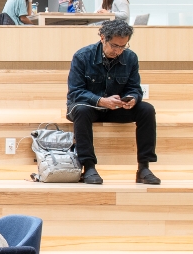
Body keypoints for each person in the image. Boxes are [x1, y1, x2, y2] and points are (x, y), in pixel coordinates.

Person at [66, 19, 159, 186]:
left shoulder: (130, 58)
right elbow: (75, 92)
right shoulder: (82, 56)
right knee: (81, 110)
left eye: (123, 46)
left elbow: (134, 88)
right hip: (89, 107)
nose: (118, 51)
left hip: (115, 107)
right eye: (115, 46)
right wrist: (101, 101)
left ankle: (144, 168)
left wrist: (132, 99)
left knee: (146, 109)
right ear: (103, 38)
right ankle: (89, 167)